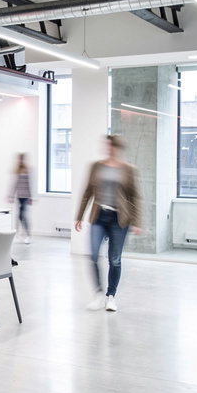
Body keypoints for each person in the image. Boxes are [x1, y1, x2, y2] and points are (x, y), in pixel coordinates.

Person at [74, 134, 142, 313]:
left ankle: (110, 296)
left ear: (117, 148)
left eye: (112, 146)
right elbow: (87, 191)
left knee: (115, 260)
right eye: (107, 145)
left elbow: (134, 196)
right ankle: (97, 294)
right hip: (99, 216)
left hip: (119, 219)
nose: (109, 148)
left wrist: (136, 221)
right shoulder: (96, 166)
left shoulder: (128, 169)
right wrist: (79, 216)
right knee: (93, 255)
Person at [9, 153, 33, 244]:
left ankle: (27, 234)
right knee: (19, 215)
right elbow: (14, 184)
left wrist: (30, 197)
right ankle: (18, 233)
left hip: (25, 196)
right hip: (19, 196)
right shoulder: (17, 170)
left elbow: (29, 184)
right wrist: (11, 195)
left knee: (22, 215)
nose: (20, 161)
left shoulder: (27, 170)